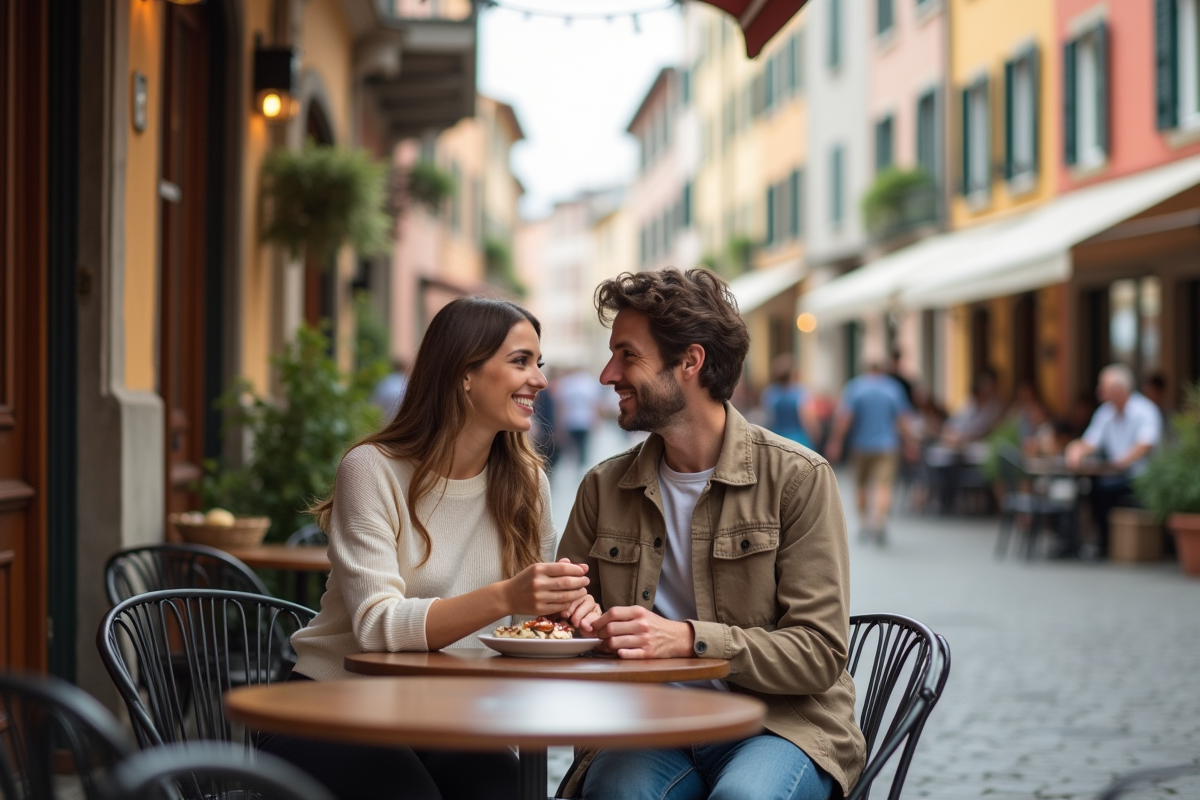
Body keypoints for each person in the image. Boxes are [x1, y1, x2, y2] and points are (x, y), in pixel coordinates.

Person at [261, 298, 600, 800]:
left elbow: (529, 621)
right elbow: (378, 627)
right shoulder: (372, 469)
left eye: (539, 363)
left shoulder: (528, 481)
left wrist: (567, 613)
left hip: (444, 714)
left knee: (505, 791)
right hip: (331, 705)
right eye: (520, 361)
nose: (540, 381)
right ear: (464, 373)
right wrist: (510, 596)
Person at [555, 269, 865, 800]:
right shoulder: (602, 487)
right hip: (651, 724)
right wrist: (576, 621)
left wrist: (687, 639)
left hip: (779, 725)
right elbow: (560, 625)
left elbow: (819, 651)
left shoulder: (797, 477)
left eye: (627, 355)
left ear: (690, 362)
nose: (608, 374)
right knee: (614, 794)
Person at [1064, 363, 1163, 559]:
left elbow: (1146, 444)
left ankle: (1104, 542)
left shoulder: (1145, 410)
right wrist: (1074, 450)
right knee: (1091, 488)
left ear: (1120, 389)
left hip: (1141, 477)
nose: (1100, 392)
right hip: (1115, 475)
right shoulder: (1105, 412)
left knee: (1101, 489)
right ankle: (1094, 541)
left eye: (1104, 388)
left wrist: (1121, 462)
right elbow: (1090, 442)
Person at [824, 363, 915, 543]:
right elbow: (902, 419)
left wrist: (836, 441)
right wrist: (910, 442)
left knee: (861, 485)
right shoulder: (893, 388)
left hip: (860, 446)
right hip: (887, 446)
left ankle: (865, 524)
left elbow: (845, 418)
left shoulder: (855, 387)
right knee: (884, 485)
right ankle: (879, 523)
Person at [759, 354, 819, 449]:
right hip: (798, 440)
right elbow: (808, 419)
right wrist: (815, 435)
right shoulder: (800, 392)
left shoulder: (770, 392)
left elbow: (768, 417)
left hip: (777, 438)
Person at [557, 367, 602, 466]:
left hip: (572, 420)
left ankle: (575, 462)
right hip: (584, 419)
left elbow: (562, 405)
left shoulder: (568, 383)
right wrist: (596, 420)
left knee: (573, 445)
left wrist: (560, 422)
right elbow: (595, 403)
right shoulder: (589, 382)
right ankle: (581, 464)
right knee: (583, 445)